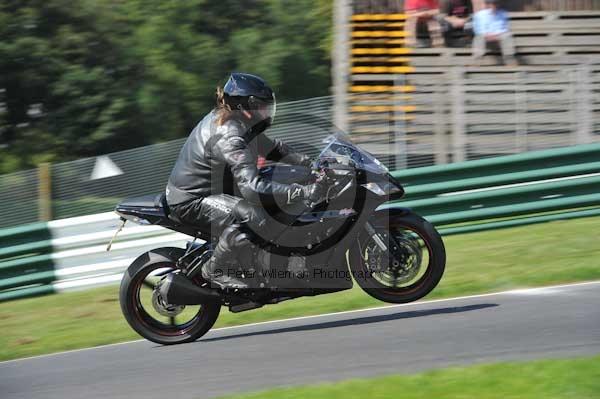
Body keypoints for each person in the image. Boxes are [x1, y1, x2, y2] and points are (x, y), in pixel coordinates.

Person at [166, 73, 324, 289]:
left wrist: (311, 164)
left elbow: (273, 148)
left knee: (277, 184)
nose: (267, 111)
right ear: (247, 107)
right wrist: (300, 192)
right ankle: (214, 269)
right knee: (254, 215)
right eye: (262, 106)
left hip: (216, 188)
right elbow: (252, 188)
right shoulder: (229, 134)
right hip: (192, 197)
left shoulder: (238, 122)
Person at [472, 0, 517, 65]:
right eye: (491, 3)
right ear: (487, 4)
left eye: (495, 3)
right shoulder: (479, 15)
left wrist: (496, 34)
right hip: (485, 35)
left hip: (498, 35)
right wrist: (486, 34)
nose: (493, 5)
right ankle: (477, 61)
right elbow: (477, 28)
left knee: (507, 35)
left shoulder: (503, 14)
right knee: (478, 38)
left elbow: (504, 28)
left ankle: (510, 60)